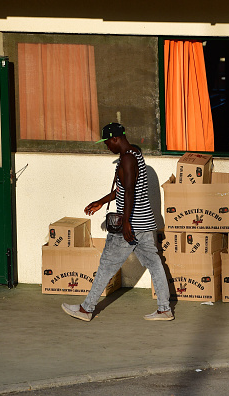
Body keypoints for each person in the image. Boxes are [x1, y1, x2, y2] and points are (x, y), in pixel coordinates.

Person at [62, 122, 173, 322]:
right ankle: (164, 309)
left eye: (107, 143)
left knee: (106, 264)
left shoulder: (128, 160)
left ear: (116, 139)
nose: (107, 147)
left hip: (132, 223)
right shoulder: (135, 154)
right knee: (154, 262)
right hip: (145, 221)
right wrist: (101, 201)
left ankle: (86, 309)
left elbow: (129, 192)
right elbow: (123, 189)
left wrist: (127, 223)